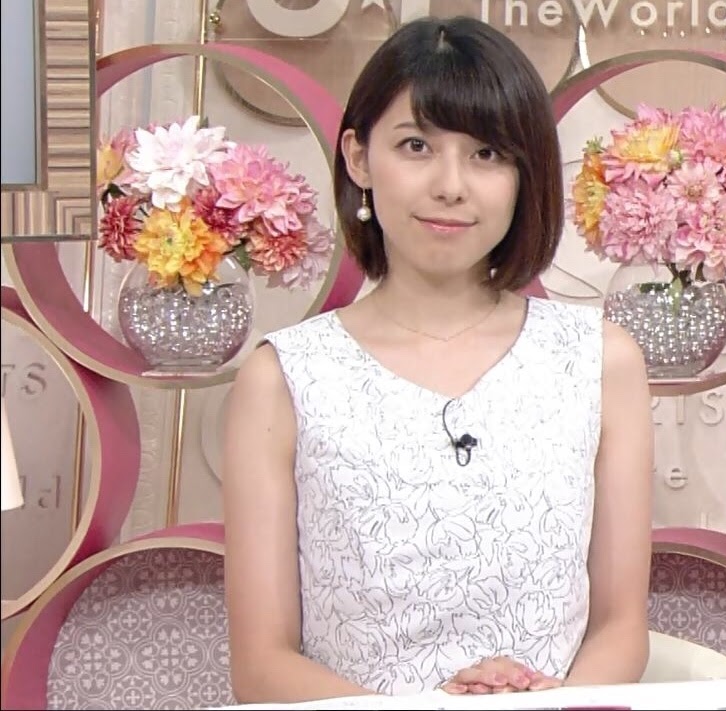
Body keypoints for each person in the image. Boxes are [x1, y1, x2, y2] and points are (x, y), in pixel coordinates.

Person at [220, 16, 653, 702]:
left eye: (487, 153)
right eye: (416, 145)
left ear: (524, 174)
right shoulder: (284, 378)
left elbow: (622, 625)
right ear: (359, 158)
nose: (451, 185)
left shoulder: (601, 361)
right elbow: (262, 664)